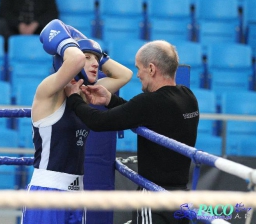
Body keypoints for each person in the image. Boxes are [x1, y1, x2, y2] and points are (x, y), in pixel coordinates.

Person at [65, 40, 199, 224]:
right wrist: (110, 99)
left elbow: (98, 121)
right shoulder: (188, 97)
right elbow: (143, 114)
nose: (137, 75)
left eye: (139, 68)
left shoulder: (150, 102)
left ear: (151, 69)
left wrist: (74, 99)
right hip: (180, 197)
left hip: (153, 197)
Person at [21, 19, 132, 224]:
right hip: (47, 192)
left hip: (76, 191)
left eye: (96, 59)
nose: (94, 63)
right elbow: (73, 58)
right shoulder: (48, 91)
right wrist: (73, 45)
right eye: (87, 57)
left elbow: (124, 75)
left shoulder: (82, 94)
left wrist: (95, 50)